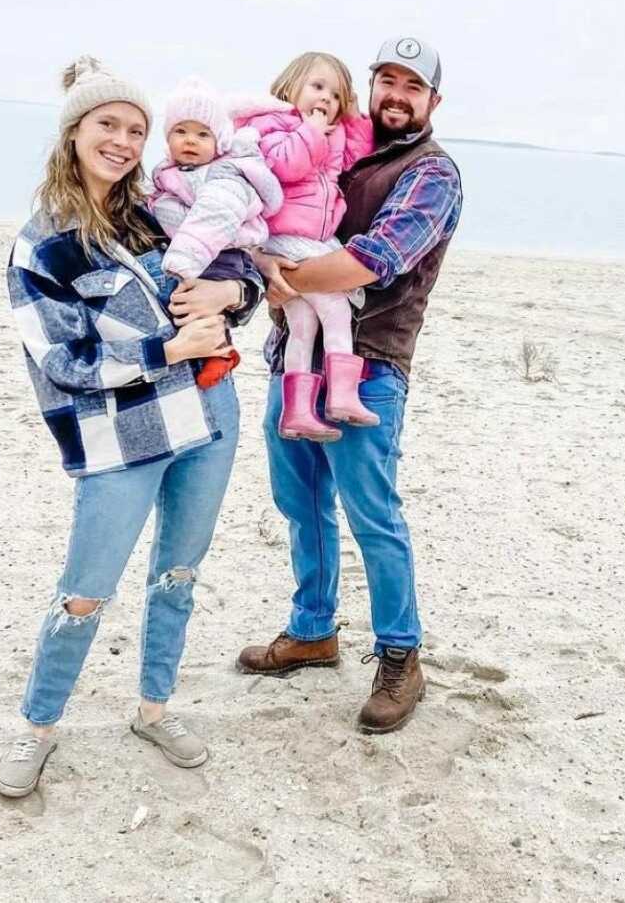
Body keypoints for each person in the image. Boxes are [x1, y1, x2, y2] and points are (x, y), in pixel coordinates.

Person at [0, 57, 262, 797]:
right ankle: (38, 725)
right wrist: (167, 349)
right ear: (74, 131)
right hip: (121, 434)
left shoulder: (158, 208)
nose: (122, 139)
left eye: (135, 129)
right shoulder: (41, 243)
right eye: (107, 124)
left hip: (209, 415)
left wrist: (234, 289)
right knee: (87, 589)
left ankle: (153, 707)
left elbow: (239, 268)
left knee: (179, 572)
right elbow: (63, 359)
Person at [237, 36, 463, 735]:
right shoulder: (341, 146)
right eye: (386, 81)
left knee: (374, 517)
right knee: (300, 505)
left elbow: (374, 259)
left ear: (432, 100)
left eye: (411, 86)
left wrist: (275, 276)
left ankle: (401, 657)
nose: (396, 95)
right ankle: (312, 631)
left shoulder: (433, 173)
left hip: (370, 369)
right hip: (292, 361)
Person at [233, 52, 377, 442]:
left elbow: (355, 157)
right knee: (335, 307)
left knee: (303, 324)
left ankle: (297, 412)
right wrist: (311, 130)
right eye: (317, 87)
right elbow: (286, 165)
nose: (325, 100)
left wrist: (353, 118)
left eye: (336, 95)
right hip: (285, 235)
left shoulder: (332, 131)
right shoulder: (274, 125)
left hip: (314, 239)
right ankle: (341, 396)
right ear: (291, 86)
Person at [147, 76, 283, 388]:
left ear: (218, 142)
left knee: (197, 302)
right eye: (180, 131)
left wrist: (183, 257)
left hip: (221, 254)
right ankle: (216, 349)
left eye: (201, 134)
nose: (190, 140)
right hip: (197, 252)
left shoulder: (221, 175)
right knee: (189, 304)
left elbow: (215, 216)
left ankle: (220, 352)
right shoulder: (166, 173)